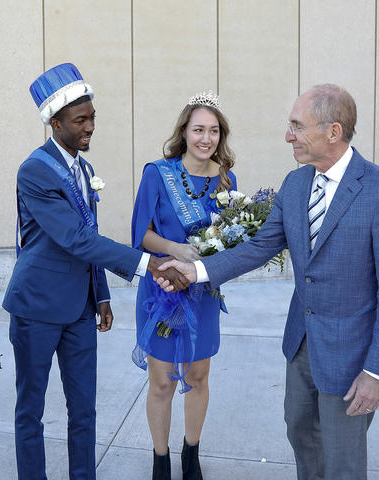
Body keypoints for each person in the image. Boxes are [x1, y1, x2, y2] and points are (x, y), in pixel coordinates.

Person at [156, 84, 379, 480]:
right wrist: (198, 271)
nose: (288, 135)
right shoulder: (295, 186)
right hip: (301, 345)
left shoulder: (375, 190)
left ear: (333, 131)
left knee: (344, 461)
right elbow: (258, 248)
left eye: (297, 125)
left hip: (351, 356)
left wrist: (375, 371)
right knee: (300, 433)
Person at [2, 63, 187, 480]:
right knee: (30, 411)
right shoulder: (36, 170)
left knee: (83, 408)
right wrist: (146, 263)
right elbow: (75, 239)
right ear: (55, 122)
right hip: (36, 308)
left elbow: (90, 233)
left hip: (81, 309)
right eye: (79, 120)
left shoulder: (83, 169)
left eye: (92, 118)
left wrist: (100, 294)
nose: (89, 127)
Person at [131, 92, 236, 480]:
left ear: (220, 135)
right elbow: (139, 234)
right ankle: (161, 457)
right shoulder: (157, 174)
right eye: (198, 130)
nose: (205, 139)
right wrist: (174, 247)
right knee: (160, 381)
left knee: (197, 377)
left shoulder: (227, 179)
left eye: (213, 131)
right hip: (162, 290)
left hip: (202, 294)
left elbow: (230, 240)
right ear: (184, 132)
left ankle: (191, 453)